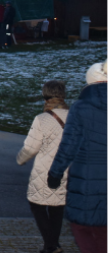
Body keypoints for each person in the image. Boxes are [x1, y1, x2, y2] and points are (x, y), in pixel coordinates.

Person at [48, 61, 107, 253]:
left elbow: (69, 145)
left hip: (85, 179)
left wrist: (55, 173)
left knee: (82, 227)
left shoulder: (80, 107)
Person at [17, 80, 69, 253]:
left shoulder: (41, 119)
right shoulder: (74, 116)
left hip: (45, 170)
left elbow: (31, 147)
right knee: (57, 208)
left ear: (45, 95)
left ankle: (51, 245)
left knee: (37, 205)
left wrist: (21, 158)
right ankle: (52, 245)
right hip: (66, 170)